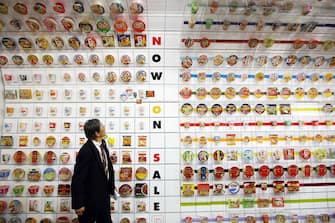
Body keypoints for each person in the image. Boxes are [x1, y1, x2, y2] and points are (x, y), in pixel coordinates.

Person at [71, 119, 115, 223]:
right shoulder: (85, 151)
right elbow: (78, 179)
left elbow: (105, 169)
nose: (104, 126)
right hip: (89, 201)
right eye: (101, 125)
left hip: (103, 198)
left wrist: (111, 185)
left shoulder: (103, 144)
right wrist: (78, 204)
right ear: (97, 133)